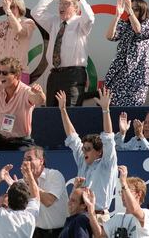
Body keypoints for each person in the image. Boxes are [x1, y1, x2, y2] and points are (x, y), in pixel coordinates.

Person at [56, 88, 117, 223]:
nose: (84, 152)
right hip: (80, 216)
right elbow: (72, 136)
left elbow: (108, 138)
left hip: (99, 217)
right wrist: (63, 110)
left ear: (99, 152)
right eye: (83, 149)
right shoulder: (82, 160)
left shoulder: (107, 164)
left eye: (88, 149)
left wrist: (106, 110)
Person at [31, 0, 94, 107]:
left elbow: (90, 18)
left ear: (76, 8)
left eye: (66, 3)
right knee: (52, 114)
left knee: (71, 113)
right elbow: (35, 12)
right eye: (60, 3)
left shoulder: (81, 23)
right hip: (54, 75)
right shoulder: (54, 21)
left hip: (73, 75)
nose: (62, 6)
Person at [0, 0, 36, 107]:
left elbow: (20, 31)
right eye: (8, 6)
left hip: (19, 72)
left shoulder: (28, 23)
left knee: (19, 107)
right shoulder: (0, 25)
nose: (9, 9)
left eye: (12, 6)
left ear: (20, 8)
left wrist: (8, 12)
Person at [4, 146, 68, 238]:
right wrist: (14, 189)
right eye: (24, 159)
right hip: (35, 233)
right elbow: (12, 207)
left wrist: (28, 180)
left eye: (30, 159)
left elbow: (48, 201)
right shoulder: (21, 183)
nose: (26, 163)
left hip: (59, 232)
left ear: (41, 161)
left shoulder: (54, 175)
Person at [105, 0, 149, 106]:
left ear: (143, 11)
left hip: (138, 73)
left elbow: (139, 31)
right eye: (130, 8)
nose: (130, 10)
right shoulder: (124, 24)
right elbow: (109, 36)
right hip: (119, 72)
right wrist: (117, 16)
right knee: (114, 108)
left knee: (133, 107)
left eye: (135, 9)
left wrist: (130, 11)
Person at [84, 165, 149, 238]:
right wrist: (91, 210)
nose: (123, 195)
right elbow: (100, 234)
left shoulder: (146, 214)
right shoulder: (117, 217)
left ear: (139, 194)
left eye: (126, 190)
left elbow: (133, 209)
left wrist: (123, 182)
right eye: (121, 191)